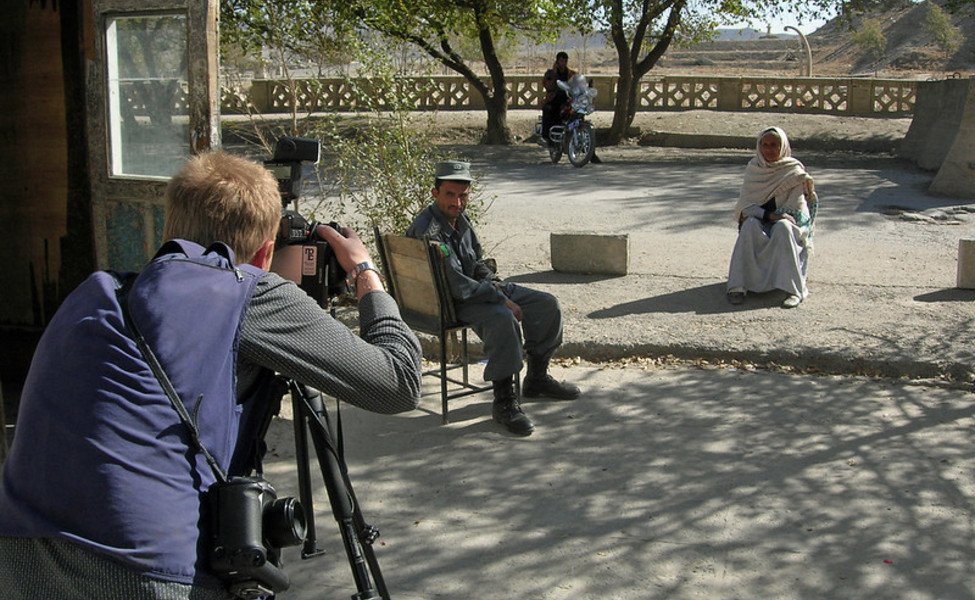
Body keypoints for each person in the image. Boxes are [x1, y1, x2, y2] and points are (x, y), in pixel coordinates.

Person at [0, 151, 423, 599]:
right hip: (145, 569)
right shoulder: (251, 292)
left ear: (169, 230)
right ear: (264, 253)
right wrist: (363, 272)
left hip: (19, 552)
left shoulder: (100, 291)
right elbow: (398, 383)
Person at [406, 161, 580, 436]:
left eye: (463, 195)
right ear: (434, 193)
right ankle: (504, 401)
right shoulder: (429, 231)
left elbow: (476, 262)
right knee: (503, 319)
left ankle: (536, 378)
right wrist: (500, 299)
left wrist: (496, 286)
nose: (457, 202)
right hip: (452, 303)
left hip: (480, 290)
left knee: (547, 305)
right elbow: (457, 285)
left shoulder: (460, 219)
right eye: (450, 194)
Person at [727, 126, 817, 308]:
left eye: (774, 145)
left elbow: (797, 209)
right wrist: (767, 215)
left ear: (782, 146)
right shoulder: (754, 169)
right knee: (750, 225)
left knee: (783, 228)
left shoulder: (793, 171)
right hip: (762, 220)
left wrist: (778, 217)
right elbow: (745, 208)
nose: (769, 150)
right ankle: (738, 286)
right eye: (765, 145)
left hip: (786, 222)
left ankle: (794, 290)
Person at [540, 51, 575, 144]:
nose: (563, 63)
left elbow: (576, 84)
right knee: (548, 109)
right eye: (561, 61)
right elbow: (548, 86)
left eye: (565, 61)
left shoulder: (570, 73)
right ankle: (546, 137)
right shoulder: (550, 73)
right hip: (554, 98)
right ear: (557, 61)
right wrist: (554, 75)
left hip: (567, 99)